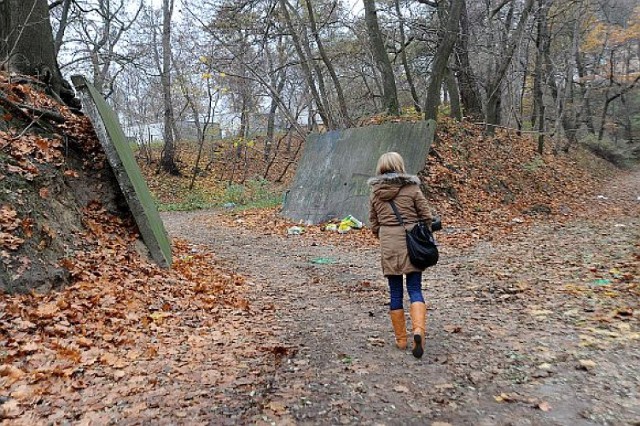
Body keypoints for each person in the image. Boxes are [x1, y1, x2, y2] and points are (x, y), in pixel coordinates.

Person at [368, 152, 433, 359]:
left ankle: (401, 340)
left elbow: (374, 224)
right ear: (400, 165)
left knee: (395, 292)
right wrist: (423, 233)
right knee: (414, 288)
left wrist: (384, 234)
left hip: (389, 243)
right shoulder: (412, 189)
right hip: (411, 243)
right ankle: (418, 332)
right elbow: (426, 216)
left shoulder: (375, 193)